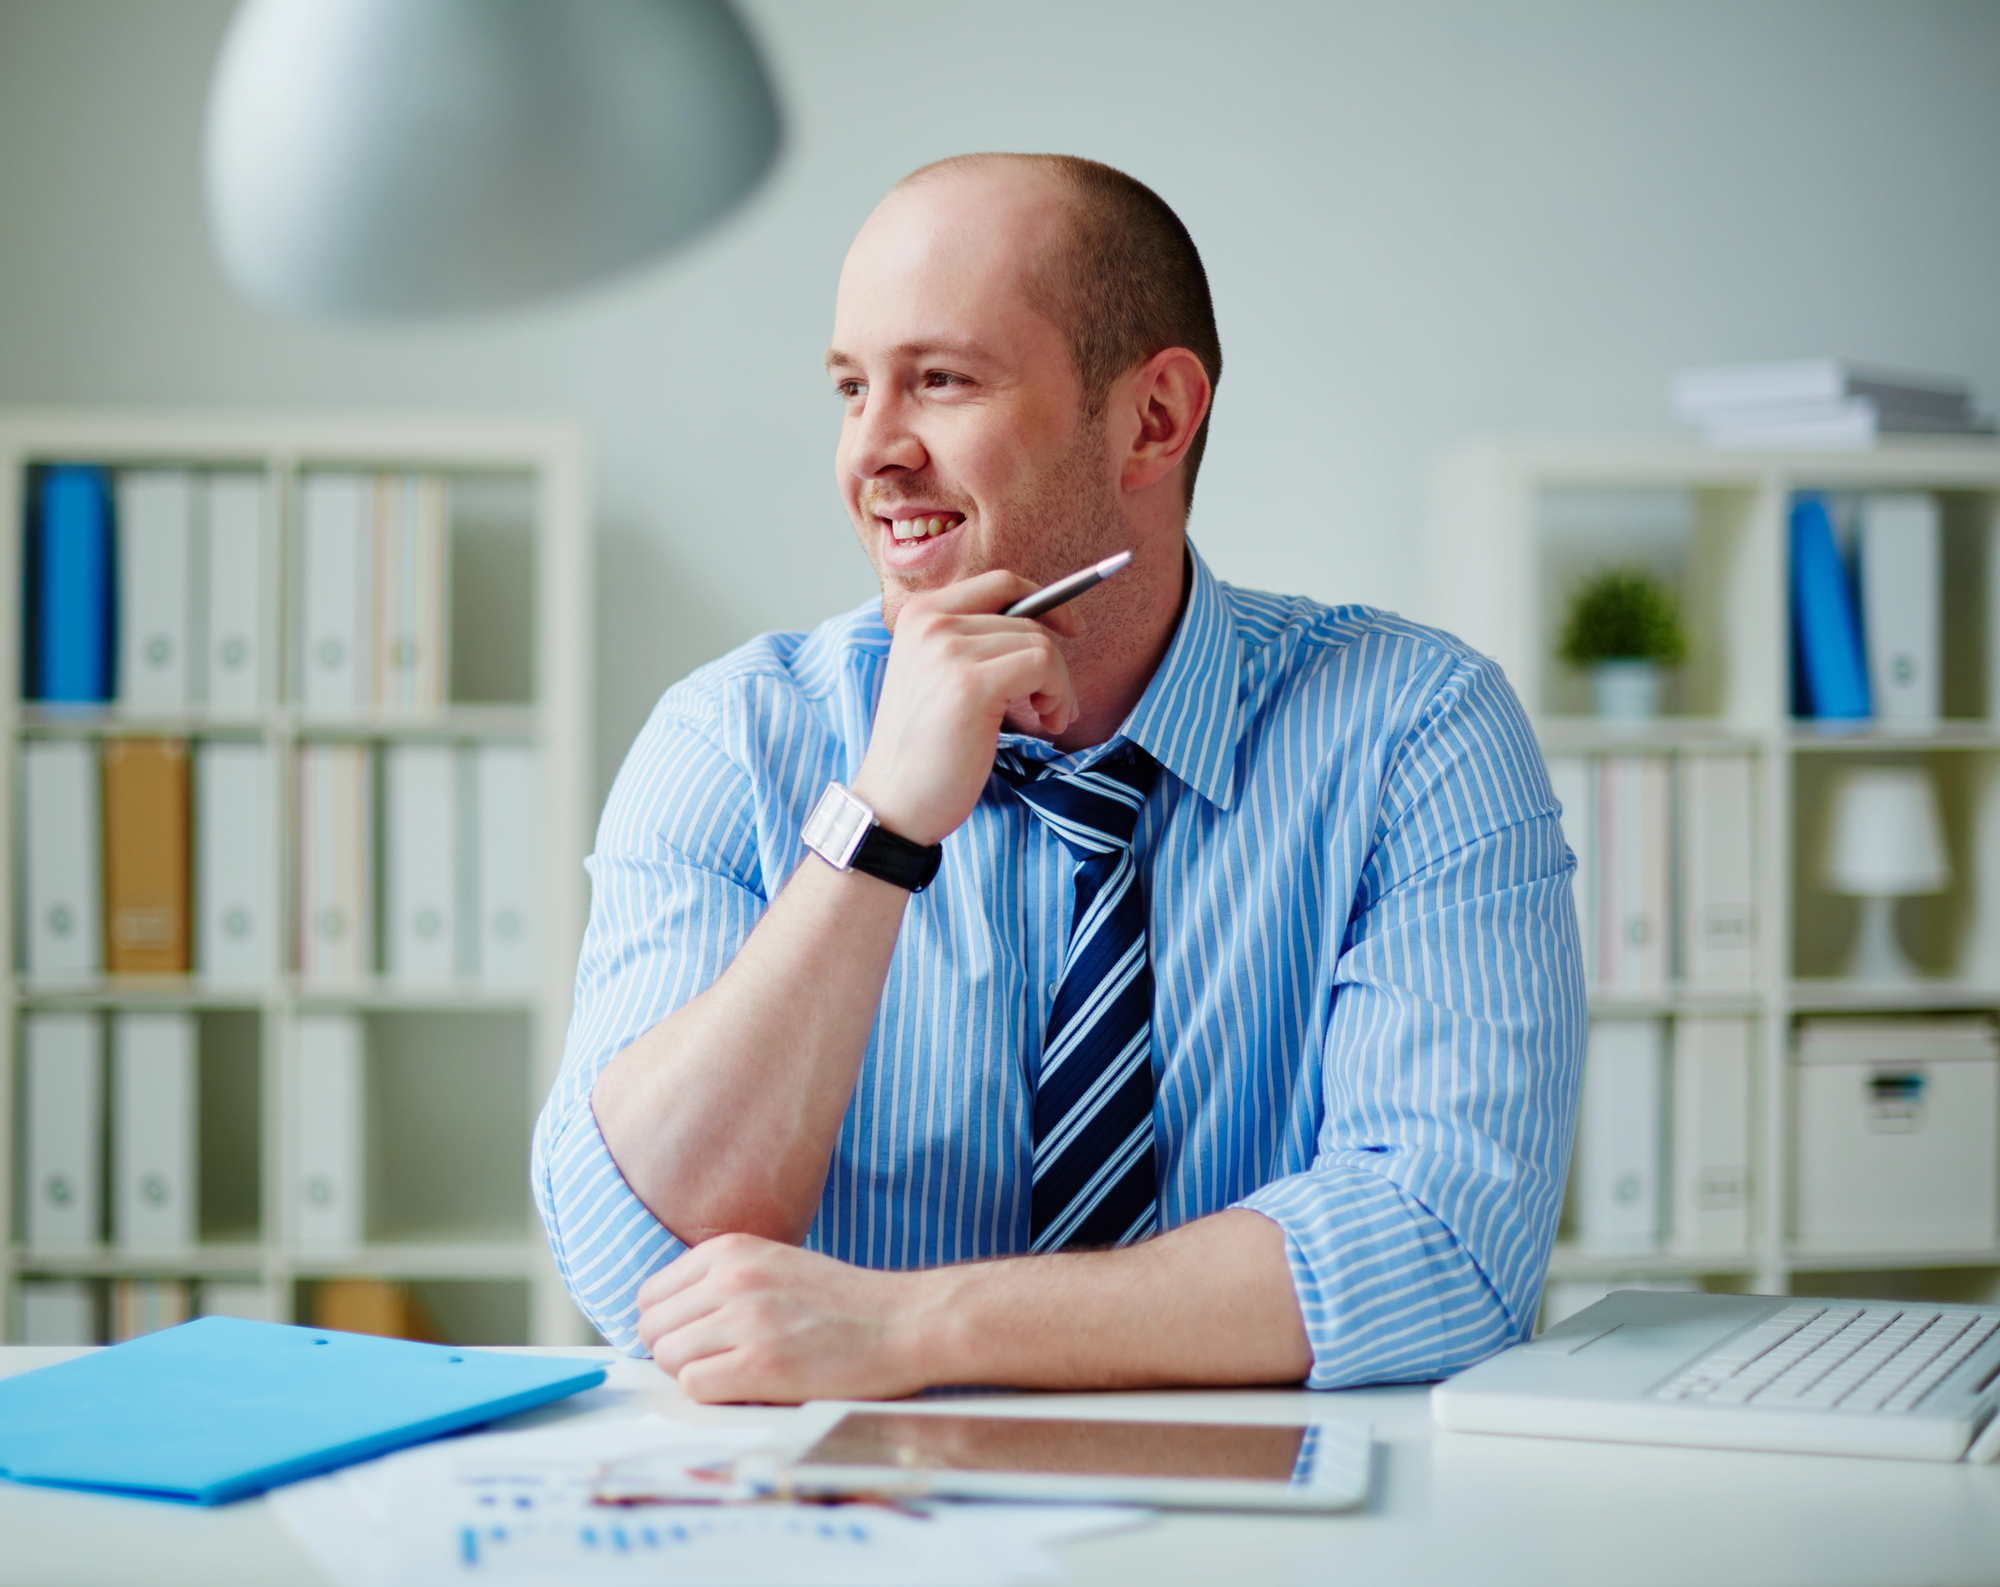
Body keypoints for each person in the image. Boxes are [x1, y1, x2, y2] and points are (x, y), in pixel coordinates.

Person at [532, 152, 1585, 1404]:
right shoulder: (730, 738)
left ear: (1152, 418)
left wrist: (907, 1331)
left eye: (938, 381)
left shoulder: (1414, 729)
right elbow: (635, 1257)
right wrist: (875, 829)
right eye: (849, 389)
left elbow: (1443, 1250)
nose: (869, 453)